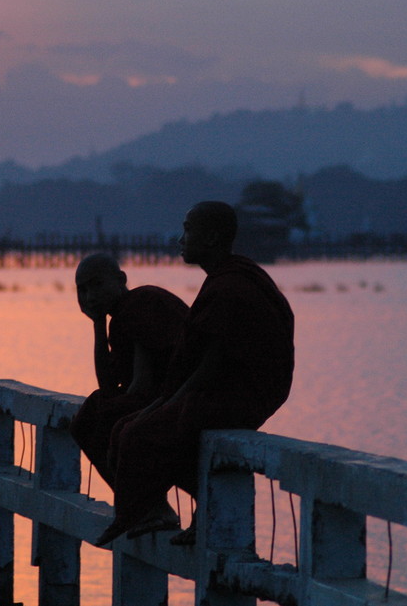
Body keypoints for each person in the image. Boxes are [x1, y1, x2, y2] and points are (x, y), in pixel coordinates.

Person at [96, 201, 294, 546]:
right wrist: (164, 401)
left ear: (212, 237)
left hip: (240, 395)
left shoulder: (230, 286)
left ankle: (139, 513)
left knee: (140, 433)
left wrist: (167, 402)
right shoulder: (227, 278)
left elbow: (211, 363)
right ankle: (170, 512)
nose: (181, 239)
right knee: (129, 426)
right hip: (231, 389)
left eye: (188, 230)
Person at [69, 252, 189, 534]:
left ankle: (148, 507)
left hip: (179, 395)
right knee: (87, 417)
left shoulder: (143, 303)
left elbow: (141, 386)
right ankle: (148, 506)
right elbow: (108, 387)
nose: (90, 296)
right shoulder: (118, 320)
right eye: (82, 290)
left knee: (104, 415)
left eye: (97, 285)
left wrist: (114, 407)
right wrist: (97, 325)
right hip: (158, 396)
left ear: (121, 280)